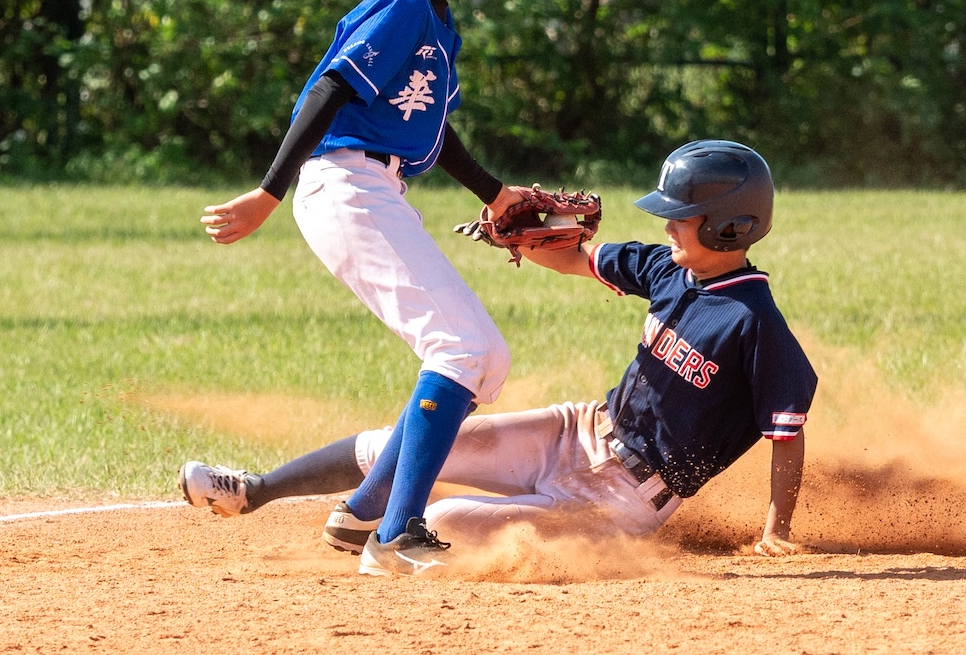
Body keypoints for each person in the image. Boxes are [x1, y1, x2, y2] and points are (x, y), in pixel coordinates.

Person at [181, 140, 819, 573]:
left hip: (627, 492)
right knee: (410, 444)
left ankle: (375, 533)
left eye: (682, 216)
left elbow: (786, 435)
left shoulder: (754, 323)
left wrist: (776, 530)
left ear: (729, 226)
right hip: (577, 430)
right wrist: (522, 236)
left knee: (444, 519)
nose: (667, 225)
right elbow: (572, 259)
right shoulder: (666, 269)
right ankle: (255, 491)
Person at [191, 0, 523, 576]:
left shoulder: (431, 14)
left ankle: (365, 511)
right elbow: (329, 89)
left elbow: (432, 129)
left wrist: (495, 194)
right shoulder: (404, 3)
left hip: (371, 186)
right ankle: (397, 534)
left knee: (483, 359)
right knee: (461, 350)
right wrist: (268, 192)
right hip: (344, 183)